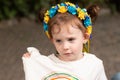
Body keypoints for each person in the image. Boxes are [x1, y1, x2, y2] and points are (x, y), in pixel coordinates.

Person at [22, 2, 107, 80]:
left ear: (84, 37)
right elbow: (37, 72)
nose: (65, 47)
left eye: (71, 39)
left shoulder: (94, 65)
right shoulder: (48, 64)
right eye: (59, 40)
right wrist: (32, 61)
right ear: (52, 40)